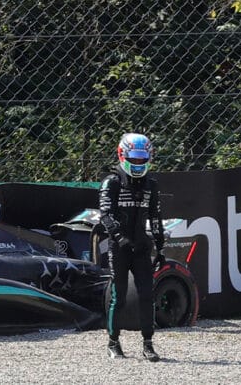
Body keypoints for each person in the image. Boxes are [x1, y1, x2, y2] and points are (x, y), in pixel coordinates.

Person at [98, 133, 166, 362]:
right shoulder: (112, 182)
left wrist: (160, 247)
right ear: (122, 155)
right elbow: (104, 216)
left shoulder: (151, 185)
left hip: (142, 247)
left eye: (142, 159)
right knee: (120, 297)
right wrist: (119, 237)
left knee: (147, 294)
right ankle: (113, 342)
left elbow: (156, 217)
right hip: (119, 247)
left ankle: (148, 343)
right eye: (134, 159)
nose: (138, 164)